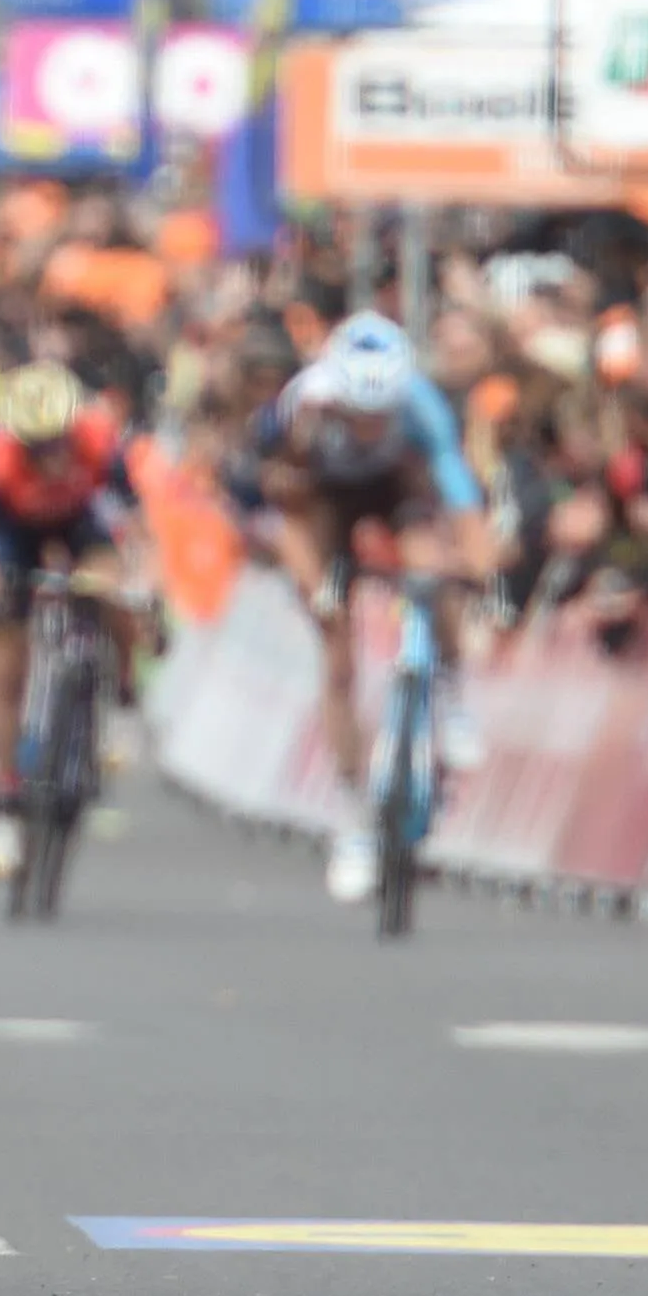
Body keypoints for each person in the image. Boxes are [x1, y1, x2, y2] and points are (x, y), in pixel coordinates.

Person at [252, 313, 491, 904]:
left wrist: (479, 566)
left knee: (434, 568)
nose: (367, 427)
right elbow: (276, 500)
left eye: (378, 416)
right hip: (324, 501)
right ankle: (354, 817)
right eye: (358, 416)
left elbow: (457, 489)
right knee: (336, 653)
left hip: (397, 492)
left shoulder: (419, 405)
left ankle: (452, 687)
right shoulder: (302, 407)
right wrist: (316, 589)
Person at [0, 360, 141, 885]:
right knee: (3, 659)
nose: (52, 455)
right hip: (14, 531)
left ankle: (124, 695)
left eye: (59, 442)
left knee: (113, 591)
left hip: (81, 523)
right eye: (38, 446)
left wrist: (139, 588)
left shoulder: (100, 443)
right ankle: (5, 799)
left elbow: (135, 527)